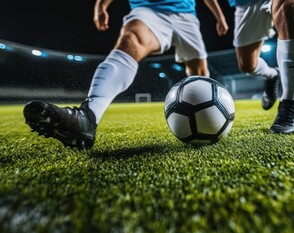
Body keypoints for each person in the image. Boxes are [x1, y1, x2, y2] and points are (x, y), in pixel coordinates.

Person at [23, 0, 229, 149]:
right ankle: (87, 117)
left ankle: (207, 125)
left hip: (187, 16)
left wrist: (219, 16)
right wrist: (100, 6)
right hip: (148, 11)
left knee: (200, 76)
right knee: (131, 40)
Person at [227, 0, 294, 133]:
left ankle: (290, 102)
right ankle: (272, 74)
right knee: (247, 65)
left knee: (289, 7)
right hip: (246, 3)